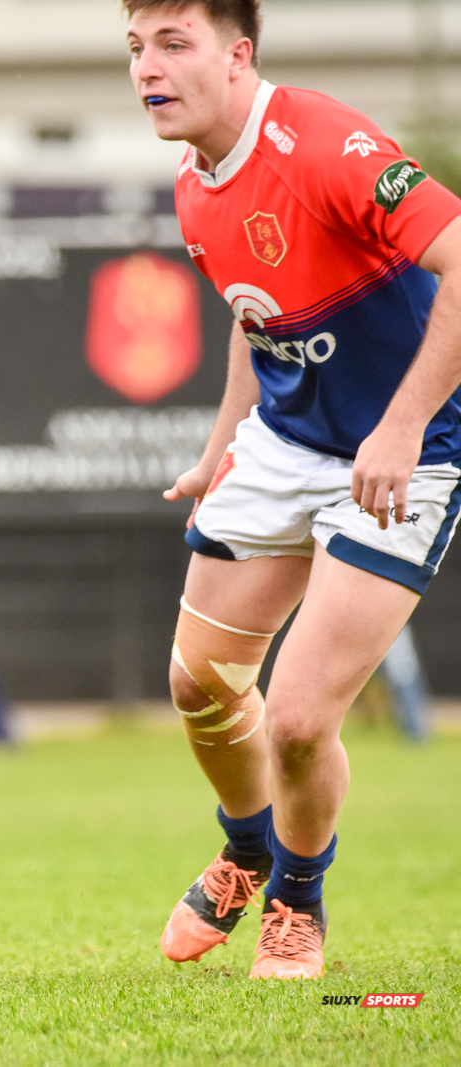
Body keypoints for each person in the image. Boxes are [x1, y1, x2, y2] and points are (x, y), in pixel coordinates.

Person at [127, 0, 461, 978]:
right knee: (197, 684)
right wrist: (219, 444)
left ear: (238, 55)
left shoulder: (323, 143)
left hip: (405, 447)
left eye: (172, 43)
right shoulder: (194, 181)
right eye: (136, 47)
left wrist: (400, 425)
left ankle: (296, 903)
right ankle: (246, 845)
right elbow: (253, 314)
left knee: (300, 717)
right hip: (283, 444)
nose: (148, 66)